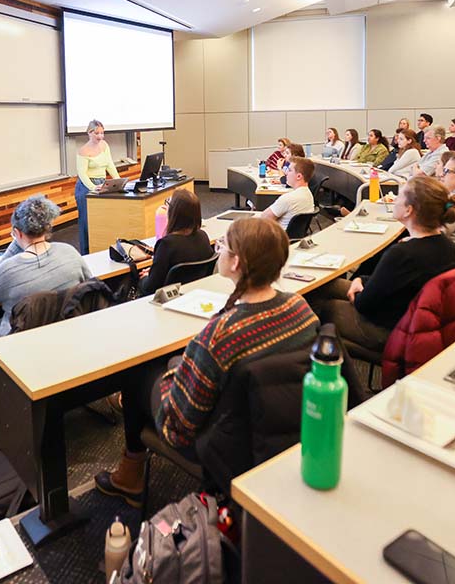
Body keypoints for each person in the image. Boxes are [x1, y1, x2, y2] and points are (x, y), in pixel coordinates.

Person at [95, 217, 320, 506]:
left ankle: (130, 475)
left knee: (137, 373)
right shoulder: (299, 306)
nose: (219, 247)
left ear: (236, 263)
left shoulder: (220, 335)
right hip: (283, 426)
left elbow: (177, 425)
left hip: (225, 445)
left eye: (224, 244)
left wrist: (175, 372)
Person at [309, 176, 455, 348]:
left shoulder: (402, 253)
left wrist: (358, 290)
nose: (394, 200)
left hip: (390, 328)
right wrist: (360, 280)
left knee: (322, 306)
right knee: (326, 285)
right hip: (406, 313)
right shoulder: (446, 245)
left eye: (399, 197)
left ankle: (320, 352)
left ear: (408, 210)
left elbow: (363, 304)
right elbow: (389, 280)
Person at [0, 196, 91, 339]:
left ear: (17, 232)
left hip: (20, 338)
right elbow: (89, 282)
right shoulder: (69, 251)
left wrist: (16, 243)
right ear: (47, 227)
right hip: (67, 330)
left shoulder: (9, 269)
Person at [139, 189, 213, 296]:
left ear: (174, 213)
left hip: (166, 301)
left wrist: (146, 277)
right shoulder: (203, 237)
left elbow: (150, 287)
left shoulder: (166, 245)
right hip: (194, 294)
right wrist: (154, 272)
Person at [75, 119, 121, 254]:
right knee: (86, 222)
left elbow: (109, 164)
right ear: (89, 133)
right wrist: (93, 187)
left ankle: (100, 249)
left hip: (103, 183)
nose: (100, 136)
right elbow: (82, 173)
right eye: (96, 133)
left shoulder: (105, 145)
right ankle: (86, 254)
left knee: (102, 218)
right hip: (86, 187)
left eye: (102, 133)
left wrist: (118, 180)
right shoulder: (83, 151)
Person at [263, 156, 317, 230]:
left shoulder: (288, 198)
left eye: (290, 170)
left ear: (299, 176)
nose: (286, 173)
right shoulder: (309, 195)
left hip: (277, 238)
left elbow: (264, 219)